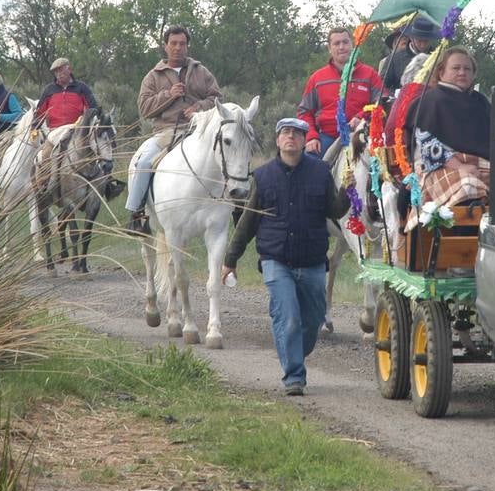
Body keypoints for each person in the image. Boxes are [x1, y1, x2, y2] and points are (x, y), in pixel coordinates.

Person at [221, 117, 349, 395]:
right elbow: (248, 222)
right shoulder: (263, 176)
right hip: (275, 259)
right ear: (278, 141)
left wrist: (347, 190)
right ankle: (294, 376)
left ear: (304, 141)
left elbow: (335, 211)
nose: (291, 137)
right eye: (286, 133)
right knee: (289, 318)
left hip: (313, 259)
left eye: (297, 133)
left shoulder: (320, 172)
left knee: (313, 320)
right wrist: (230, 260)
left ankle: (291, 349)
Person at [126, 25, 222, 232]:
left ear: (187, 46)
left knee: (227, 154)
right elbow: (144, 109)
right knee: (144, 161)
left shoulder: (201, 71)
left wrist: (199, 107)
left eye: (182, 44)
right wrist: (169, 95)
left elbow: (217, 98)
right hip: (166, 132)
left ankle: (232, 206)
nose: (178, 47)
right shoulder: (153, 76)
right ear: (166, 46)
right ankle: (136, 213)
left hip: (199, 130)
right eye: (174, 44)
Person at [412, 46, 491, 208]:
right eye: (456, 68)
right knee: (468, 185)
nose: (462, 72)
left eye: (467, 69)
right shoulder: (431, 101)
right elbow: (427, 147)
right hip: (440, 168)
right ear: (441, 73)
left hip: (479, 165)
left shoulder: (481, 102)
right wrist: (461, 167)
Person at [297, 27, 384, 156]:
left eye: (345, 42)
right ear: (329, 48)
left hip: (363, 134)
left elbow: (381, 102)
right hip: (328, 136)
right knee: (308, 166)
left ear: (352, 45)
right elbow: (304, 112)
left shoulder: (370, 74)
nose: (341, 47)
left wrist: (361, 116)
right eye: (336, 43)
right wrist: (312, 137)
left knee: (387, 166)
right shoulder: (317, 78)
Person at [381, 14, 442, 95]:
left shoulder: (438, 59)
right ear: (411, 37)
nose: (423, 45)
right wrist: (396, 93)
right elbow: (381, 87)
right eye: (419, 40)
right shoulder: (394, 59)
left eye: (426, 40)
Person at [32, 57, 98, 130]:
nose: (58, 74)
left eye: (60, 70)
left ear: (69, 69)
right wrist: (33, 129)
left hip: (76, 130)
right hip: (54, 132)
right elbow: (39, 113)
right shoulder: (49, 90)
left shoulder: (82, 87)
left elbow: (93, 109)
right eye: (56, 72)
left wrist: (97, 123)